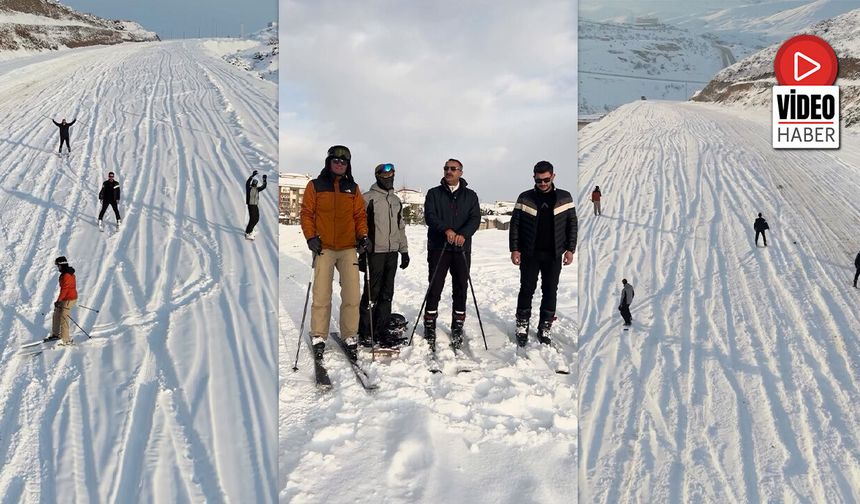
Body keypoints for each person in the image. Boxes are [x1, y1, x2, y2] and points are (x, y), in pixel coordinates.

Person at [300, 145, 369, 362]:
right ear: (329, 162)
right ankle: (319, 335)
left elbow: (359, 215)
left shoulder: (353, 188)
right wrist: (311, 237)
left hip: (348, 247)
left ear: (348, 165)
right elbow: (306, 213)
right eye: (336, 160)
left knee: (352, 295)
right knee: (321, 293)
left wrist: (363, 236)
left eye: (344, 161)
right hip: (324, 247)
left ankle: (350, 335)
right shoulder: (316, 185)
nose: (339, 164)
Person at [510, 161, 578, 346]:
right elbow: (515, 225)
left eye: (546, 179)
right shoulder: (525, 197)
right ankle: (522, 324)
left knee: (550, 291)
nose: (543, 183)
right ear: (534, 178)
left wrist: (570, 249)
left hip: (554, 254)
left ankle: (545, 326)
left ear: (553, 176)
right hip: (530, 253)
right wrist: (515, 249)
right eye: (539, 180)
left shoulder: (565, 197)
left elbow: (572, 224)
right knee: (527, 289)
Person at [422, 158, 481, 351]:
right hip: (439, 247)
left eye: (453, 169)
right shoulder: (433, 193)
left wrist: (464, 234)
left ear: (460, 172)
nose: (449, 171)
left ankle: (458, 325)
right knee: (435, 286)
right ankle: (429, 324)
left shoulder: (470, 195)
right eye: (446, 168)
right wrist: (446, 229)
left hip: (461, 249)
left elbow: (475, 218)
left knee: (460, 287)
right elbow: (430, 216)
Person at [358, 163, 409, 347]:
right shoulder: (368, 198)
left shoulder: (396, 200)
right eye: (386, 176)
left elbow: (400, 226)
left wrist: (404, 251)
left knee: (387, 294)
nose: (390, 179)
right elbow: (359, 227)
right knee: (372, 293)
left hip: (392, 253)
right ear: (378, 176)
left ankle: (381, 330)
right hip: (374, 253)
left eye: (392, 175)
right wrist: (362, 252)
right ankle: (365, 331)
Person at [45, 256, 78, 345]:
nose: (58, 267)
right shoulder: (64, 274)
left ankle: (66, 339)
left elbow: (65, 289)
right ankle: (55, 334)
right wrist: (59, 301)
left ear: (62, 265)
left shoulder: (67, 275)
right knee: (56, 314)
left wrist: (59, 300)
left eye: (58, 265)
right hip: (65, 297)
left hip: (69, 298)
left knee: (64, 316)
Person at [245, 170, 267, 239]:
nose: (254, 184)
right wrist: (252, 176)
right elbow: (247, 182)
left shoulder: (257, 189)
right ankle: (248, 233)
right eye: (254, 182)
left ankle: (251, 230)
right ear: (252, 183)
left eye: (255, 183)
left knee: (256, 219)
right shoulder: (249, 188)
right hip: (251, 205)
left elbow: (263, 186)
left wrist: (264, 180)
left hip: (255, 205)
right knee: (252, 219)